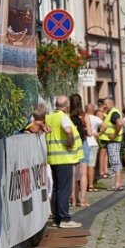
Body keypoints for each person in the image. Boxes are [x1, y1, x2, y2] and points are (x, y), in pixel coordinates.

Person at [44, 95, 83, 228]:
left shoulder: (49, 117)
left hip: (53, 158)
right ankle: (65, 219)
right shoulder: (63, 117)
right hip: (64, 158)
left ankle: (56, 219)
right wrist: (71, 142)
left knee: (56, 188)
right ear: (67, 106)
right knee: (64, 189)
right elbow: (67, 130)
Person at [98, 97, 125, 191]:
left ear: (110, 103)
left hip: (113, 141)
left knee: (115, 162)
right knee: (117, 161)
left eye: (105, 104)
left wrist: (115, 134)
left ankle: (117, 184)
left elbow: (119, 123)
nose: (104, 106)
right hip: (114, 141)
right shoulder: (111, 112)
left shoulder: (113, 113)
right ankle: (120, 183)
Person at [69, 94, 89, 207]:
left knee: (72, 175)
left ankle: (73, 201)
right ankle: (82, 200)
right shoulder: (83, 116)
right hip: (82, 143)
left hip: (72, 145)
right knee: (83, 174)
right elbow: (90, 133)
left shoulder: (67, 116)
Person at [85, 103, 104, 192]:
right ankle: (91, 185)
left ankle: (84, 185)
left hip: (84, 142)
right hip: (92, 142)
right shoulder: (96, 118)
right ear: (93, 110)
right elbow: (105, 126)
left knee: (83, 165)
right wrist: (99, 134)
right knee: (91, 166)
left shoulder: (83, 117)